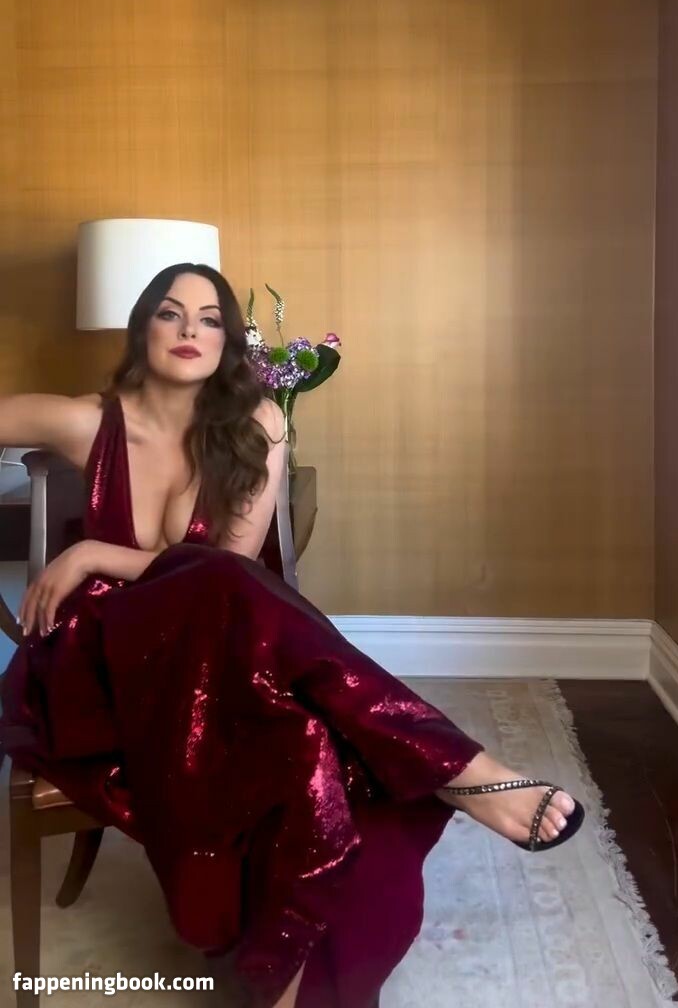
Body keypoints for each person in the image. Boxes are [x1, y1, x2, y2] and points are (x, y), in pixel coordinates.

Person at [0, 263, 584, 1008]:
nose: (189, 330)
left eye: (210, 318)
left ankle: (290, 984)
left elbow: (229, 575)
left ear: (229, 340)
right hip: (105, 664)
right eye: (171, 313)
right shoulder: (88, 422)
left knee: (317, 752)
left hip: (214, 657)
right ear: (142, 327)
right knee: (223, 588)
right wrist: (89, 558)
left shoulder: (258, 427)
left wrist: (92, 550)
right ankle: (454, 765)